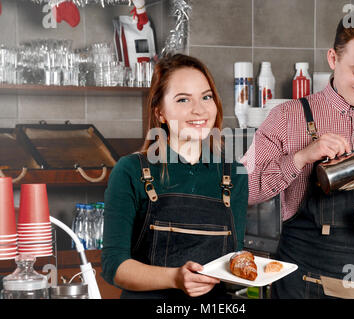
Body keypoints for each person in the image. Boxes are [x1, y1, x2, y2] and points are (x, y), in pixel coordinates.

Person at [242, 6, 354, 299]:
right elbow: (244, 190)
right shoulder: (288, 117)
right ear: (332, 58)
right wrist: (301, 157)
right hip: (303, 286)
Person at [101, 54, 248, 299]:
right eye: (183, 100)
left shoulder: (234, 174)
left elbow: (233, 260)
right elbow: (114, 266)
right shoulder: (131, 171)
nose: (199, 109)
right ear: (160, 113)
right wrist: (175, 278)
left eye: (206, 96)